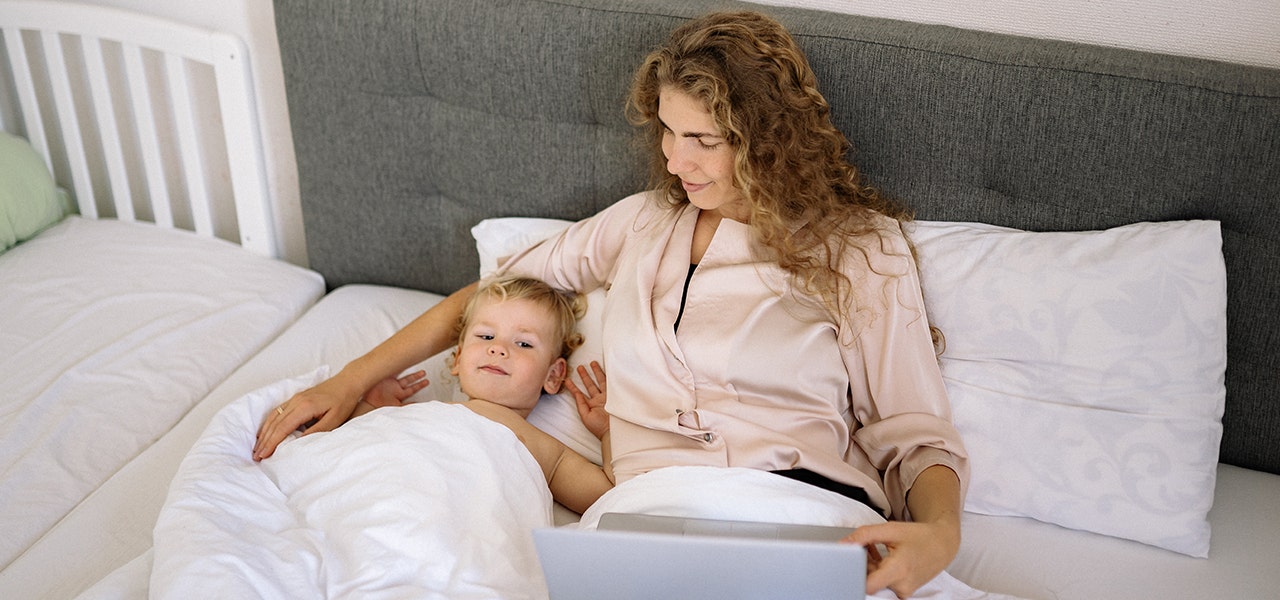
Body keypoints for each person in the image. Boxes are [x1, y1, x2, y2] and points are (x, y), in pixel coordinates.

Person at [254, 11, 967, 598]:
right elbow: (489, 296)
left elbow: (916, 434)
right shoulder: (640, 224)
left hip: (806, 512)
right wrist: (344, 382)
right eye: (666, 130)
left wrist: (940, 534)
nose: (675, 161)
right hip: (641, 519)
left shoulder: (858, 249)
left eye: (703, 141)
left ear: (768, 141)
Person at [284, 275, 614, 514]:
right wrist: (373, 406)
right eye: (485, 337)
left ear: (553, 375)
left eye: (524, 343)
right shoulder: (428, 411)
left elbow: (606, 496)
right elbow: (364, 447)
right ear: (457, 360)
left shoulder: (539, 446)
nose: (498, 348)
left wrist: (609, 430)